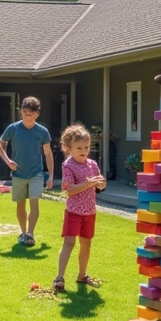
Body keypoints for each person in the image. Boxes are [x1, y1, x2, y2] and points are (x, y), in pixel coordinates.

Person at [52, 125, 106, 292]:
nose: (84, 151)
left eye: (87, 147)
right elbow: (70, 189)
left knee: (86, 244)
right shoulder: (68, 165)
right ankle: (59, 277)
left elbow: (100, 186)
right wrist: (89, 183)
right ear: (69, 148)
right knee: (69, 243)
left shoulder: (92, 164)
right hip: (74, 212)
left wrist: (102, 184)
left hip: (90, 212)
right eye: (79, 148)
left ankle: (82, 275)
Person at [0, 96, 54, 247]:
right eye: (24, 113)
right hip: (18, 173)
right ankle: (23, 232)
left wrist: (51, 176)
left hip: (37, 173)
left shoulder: (42, 132)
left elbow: (48, 154)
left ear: (37, 114)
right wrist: (8, 161)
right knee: (20, 205)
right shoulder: (13, 128)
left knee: (34, 202)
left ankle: (30, 233)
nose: (27, 117)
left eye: (30, 114)